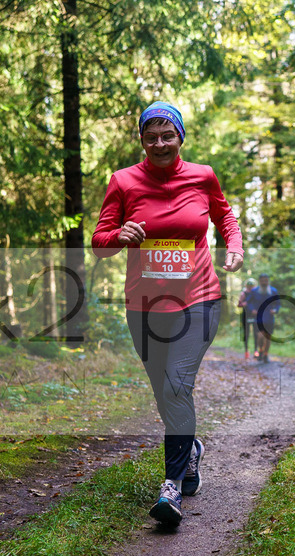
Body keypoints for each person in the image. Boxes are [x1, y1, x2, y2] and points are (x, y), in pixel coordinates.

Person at [91, 101, 243, 527]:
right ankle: (191, 450)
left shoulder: (203, 175)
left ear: (180, 137)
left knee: (177, 385)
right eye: (150, 136)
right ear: (141, 140)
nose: (160, 143)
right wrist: (120, 235)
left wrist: (234, 245)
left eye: (167, 135)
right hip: (144, 307)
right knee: (164, 391)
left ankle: (171, 487)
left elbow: (224, 214)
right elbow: (98, 241)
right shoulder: (123, 182)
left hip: (199, 300)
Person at [238, 274, 280, 362]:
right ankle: (260, 350)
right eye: (263, 280)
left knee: (268, 337)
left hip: (269, 317)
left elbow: (277, 303)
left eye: (266, 280)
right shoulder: (254, 291)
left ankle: (265, 355)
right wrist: (252, 309)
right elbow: (248, 302)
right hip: (258, 317)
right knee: (260, 336)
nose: (264, 282)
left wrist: (275, 310)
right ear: (260, 281)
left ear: (268, 281)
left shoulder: (273, 291)